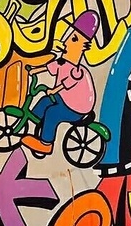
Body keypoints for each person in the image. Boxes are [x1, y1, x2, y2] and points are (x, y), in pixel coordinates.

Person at [21, 11, 99, 156]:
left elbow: (66, 84)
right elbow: (49, 67)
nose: (67, 42)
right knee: (45, 101)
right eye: (70, 37)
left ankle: (46, 144)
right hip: (64, 99)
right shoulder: (62, 62)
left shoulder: (77, 70)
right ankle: (35, 121)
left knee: (52, 113)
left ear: (84, 47)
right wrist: (33, 70)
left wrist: (54, 90)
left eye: (74, 39)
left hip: (76, 107)